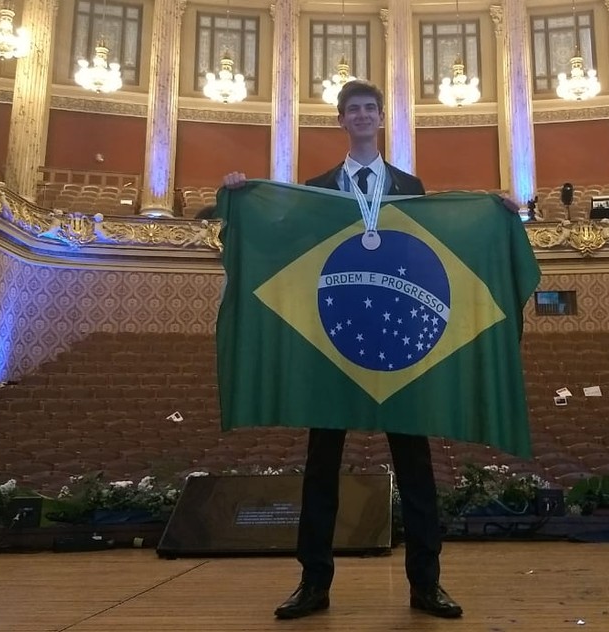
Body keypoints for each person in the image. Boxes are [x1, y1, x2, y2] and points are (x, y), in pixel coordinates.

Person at [222, 80, 463, 620]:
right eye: (351, 110)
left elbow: (432, 253)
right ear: (340, 121)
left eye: (368, 109)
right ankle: (313, 585)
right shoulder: (316, 188)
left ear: (381, 118)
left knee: (417, 470)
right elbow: (282, 241)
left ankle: (427, 585)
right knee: (321, 469)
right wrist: (241, 194)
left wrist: (493, 210)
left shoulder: (409, 185)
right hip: (332, 342)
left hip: (398, 341)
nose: (360, 116)